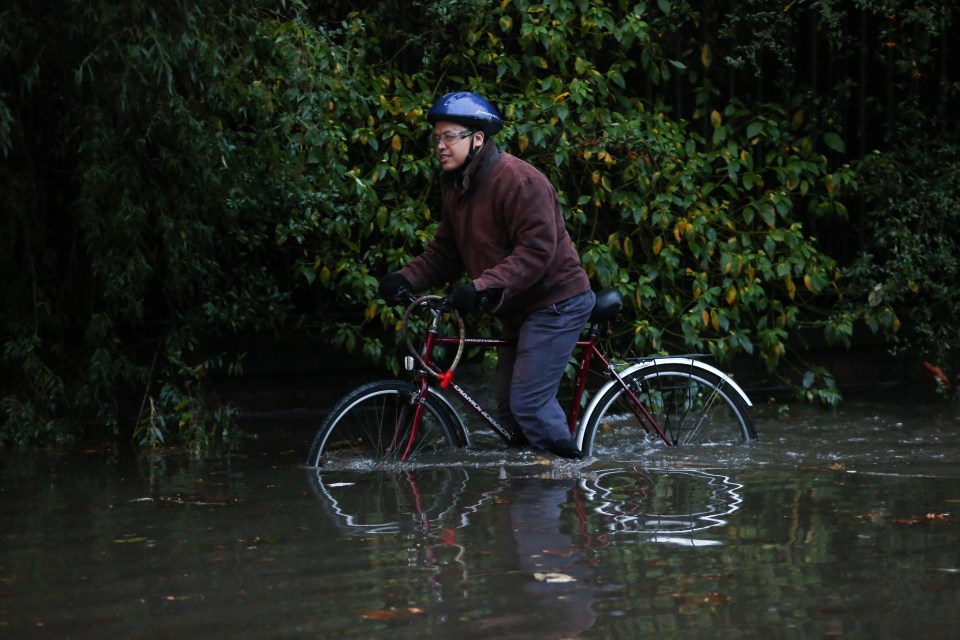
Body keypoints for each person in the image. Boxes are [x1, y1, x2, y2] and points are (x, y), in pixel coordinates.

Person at [378, 91, 595, 459]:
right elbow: (445, 253)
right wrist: (405, 279)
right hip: (518, 308)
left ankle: (572, 483)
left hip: (555, 302)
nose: (440, 146)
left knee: (529, 405)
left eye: (450, 136)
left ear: (477, 138)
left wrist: (481, 286)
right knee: (510, 415)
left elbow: (536, 251)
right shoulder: (459, 190)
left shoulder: (519, 180)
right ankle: (531, 506)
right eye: (437, 138)